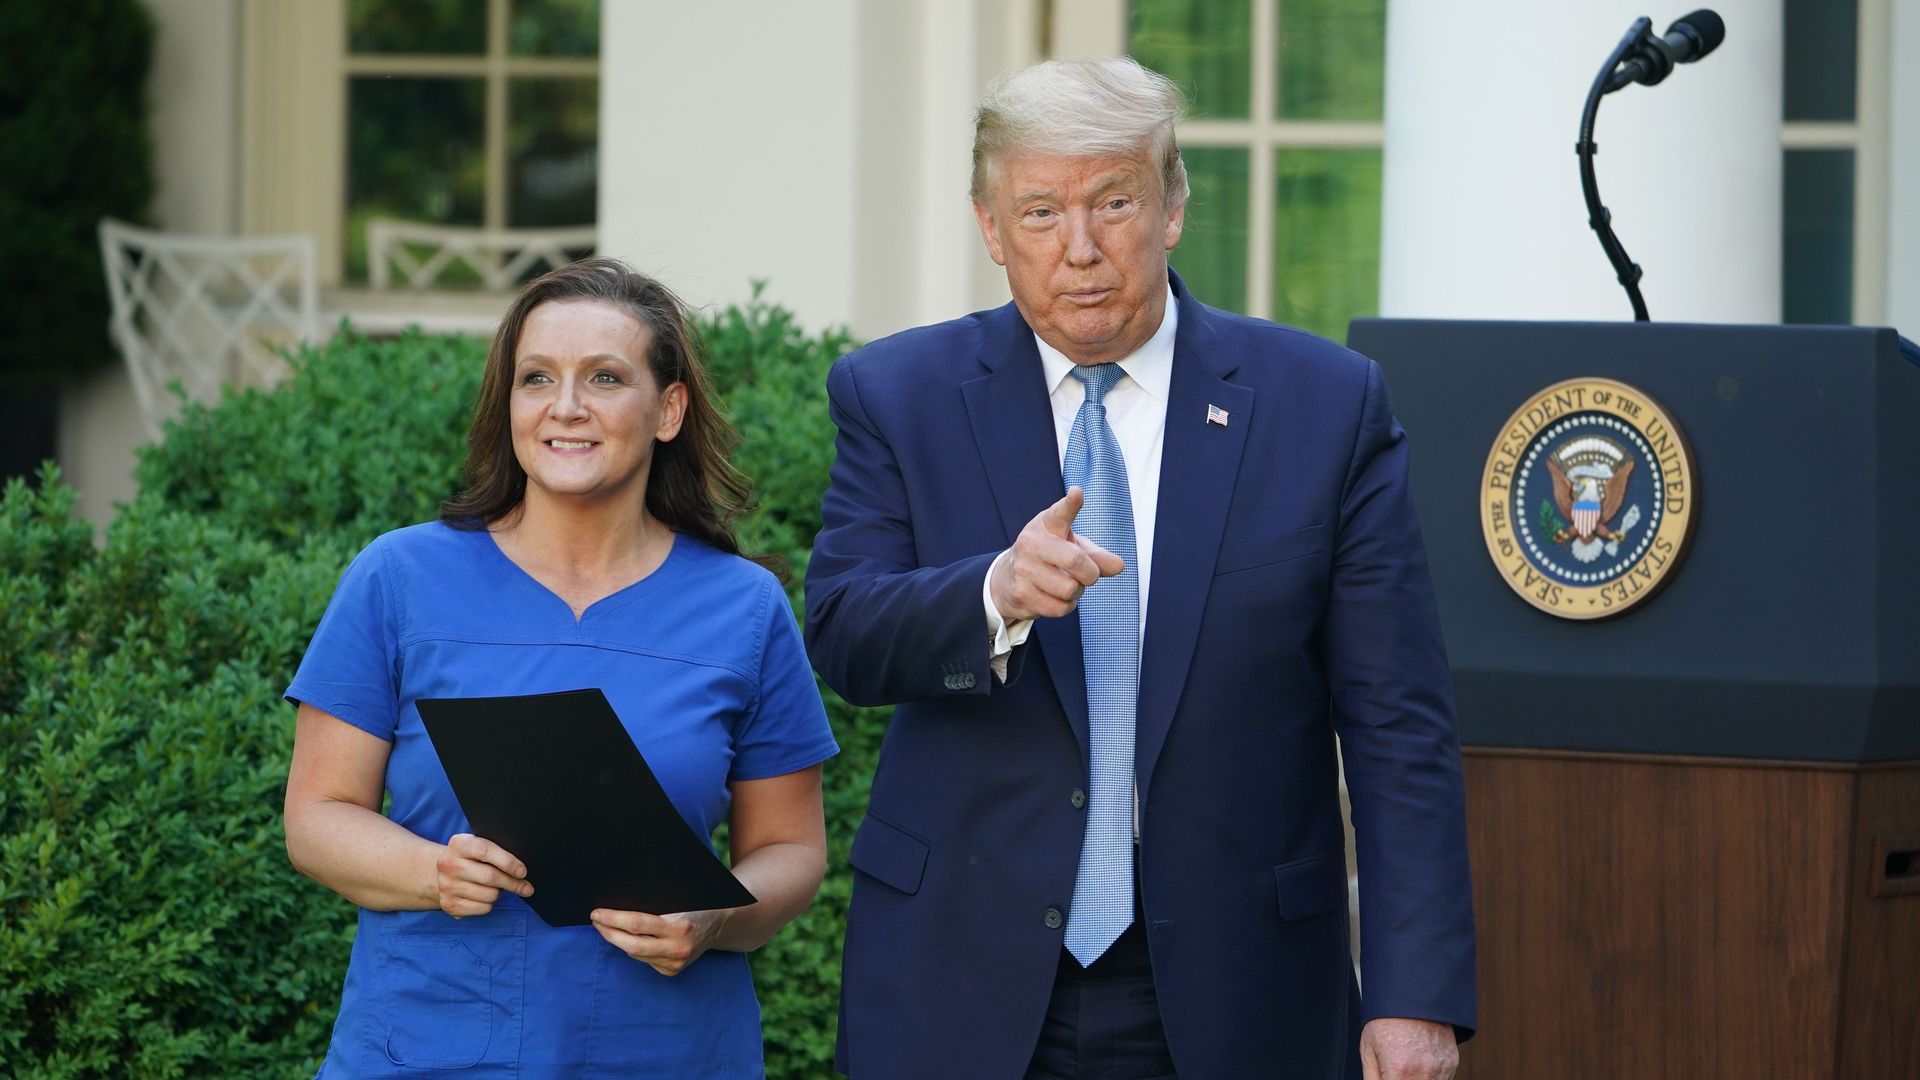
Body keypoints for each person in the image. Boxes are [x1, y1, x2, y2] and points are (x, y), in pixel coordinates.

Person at [805, 59, 1474, 1079]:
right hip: (960, 979)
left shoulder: (1324, 407)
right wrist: (994, 594)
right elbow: (846, 633)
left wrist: (1414, 994)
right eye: (1039, 213)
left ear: (1170, 208)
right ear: (990, 228)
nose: (1080, 249)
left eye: (1113, 202)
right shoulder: (896, 393)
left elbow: (1398, 725)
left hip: (1236, 984)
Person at [283, 258, 837, 1078]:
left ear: (668, 410)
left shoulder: (744, 608)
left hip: (669, 1052)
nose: (565, 407)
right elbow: (317, 817)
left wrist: (717, 917)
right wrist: (431, 870)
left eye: (605, 378)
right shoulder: (399, 579)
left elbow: (792, 849)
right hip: (425, 1048)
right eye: (536, 378)